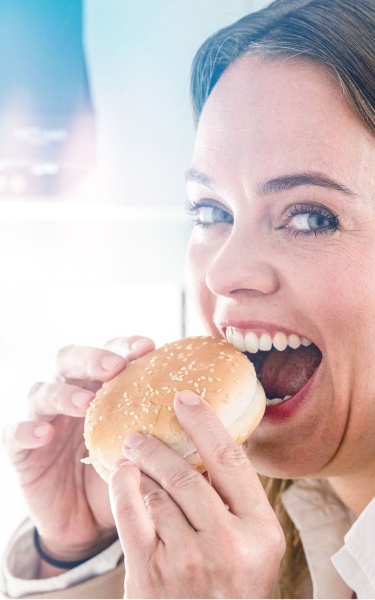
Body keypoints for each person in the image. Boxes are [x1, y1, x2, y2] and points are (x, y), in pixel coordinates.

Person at [2, 0, 375, 597]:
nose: (224, 271)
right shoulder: (235, 528)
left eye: (309, 217)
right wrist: (81, 548)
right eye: (211, 212)